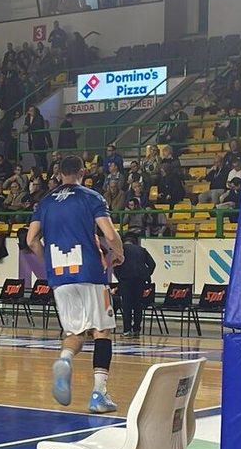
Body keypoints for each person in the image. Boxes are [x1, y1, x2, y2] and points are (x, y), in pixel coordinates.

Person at [26, 154, 124, 414]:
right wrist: (119, 252)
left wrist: (48, 262)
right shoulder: (91, 197)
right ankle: (99, 394)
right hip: (90, 272)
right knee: (102, 331)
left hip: (60, 274)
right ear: (83, 171)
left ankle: (65, 359)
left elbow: (31, 240)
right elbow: (109, 233)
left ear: (59, 174)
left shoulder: (45, 202)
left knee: (75, 334)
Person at [115, 231, 155, 337]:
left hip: (126, 280)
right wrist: (146, 274)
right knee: (138, 305)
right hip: (139, 280)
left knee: (126, 306)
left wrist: (120, 277)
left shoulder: (121, 250)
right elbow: (152, 264)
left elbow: (116, 265)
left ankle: (127, 330)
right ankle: (136, 329)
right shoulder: (142, 250)